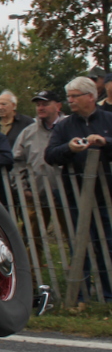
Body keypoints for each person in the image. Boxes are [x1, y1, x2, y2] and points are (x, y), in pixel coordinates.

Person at [45, 76, 112, 301]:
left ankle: (108, 293)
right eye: (69, 96)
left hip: (106, 195)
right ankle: (80, 295)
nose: (70, 101)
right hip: (75, 194)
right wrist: (69, 148)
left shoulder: (109, 119)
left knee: (107, 244)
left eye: (75, 96)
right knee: (79, 245)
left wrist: (105, 142)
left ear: (91, 97)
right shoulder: (64, 125)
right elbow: (50, 154)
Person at [12, 91, 66, 254]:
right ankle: (32, 276)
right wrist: (22, 187)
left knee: (74, 235)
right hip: (36, 194)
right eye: (38, 105)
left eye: (45, 104)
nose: (40, 108)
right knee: (31, 238)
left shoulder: (69, 126)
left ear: (58, 106)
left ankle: (79, 275)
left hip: (67, 194)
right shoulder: (29, 132)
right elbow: (16, 161)